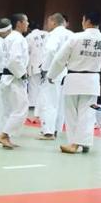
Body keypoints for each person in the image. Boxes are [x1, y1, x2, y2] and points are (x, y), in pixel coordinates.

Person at [48, 11, 101, 154]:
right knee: (88, 113)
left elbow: (60, 59)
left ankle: (74, 143)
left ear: (87, 21)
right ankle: (84, 142)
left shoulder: (75, 38)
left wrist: (51, 75)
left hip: (74, 79)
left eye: (83, 20)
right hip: (92, 79)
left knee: (71, 113)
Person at [0, 13, 30, 149]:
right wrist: (23, 74)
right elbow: (14, 60)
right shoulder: (18, 38)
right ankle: (4, 135)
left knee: (8, 110)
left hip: (7, 78)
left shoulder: (9, 38)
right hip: (14, 79)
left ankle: (5, 137)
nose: (28, 24)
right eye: (26, 21)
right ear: (19, 23)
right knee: (21, 108)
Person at [37, 13, 72, 141]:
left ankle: (48, 132)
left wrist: (46, 69)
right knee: (60, 103)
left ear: (53, 22)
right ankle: (56, 129)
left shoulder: (54, 34)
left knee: (49, 101)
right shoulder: (71, 34)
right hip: (65, 71)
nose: (48, 25)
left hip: (53, 71)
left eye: (49, 22)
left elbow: (51, 50)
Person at [25, 21, 47, 120]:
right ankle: (40, 106)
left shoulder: (29, 37)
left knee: (33, 86)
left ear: (29, 28)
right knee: (43, 87)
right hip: (45, 65)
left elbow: (26, 52)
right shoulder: (47, 34)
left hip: (34, 64)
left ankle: (33, 105)